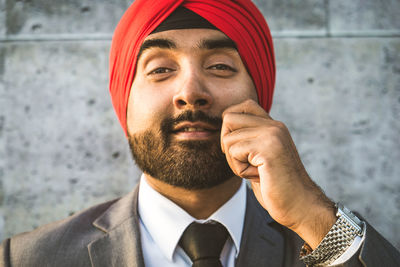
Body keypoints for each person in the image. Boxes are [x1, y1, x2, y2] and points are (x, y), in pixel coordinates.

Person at [1, 1, 399, 266]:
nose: (190, 92)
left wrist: (312, 214)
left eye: (221, 67)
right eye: (160, 69)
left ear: (261, 96)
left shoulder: (322, 237)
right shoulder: (26, 259)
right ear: (123, 100)